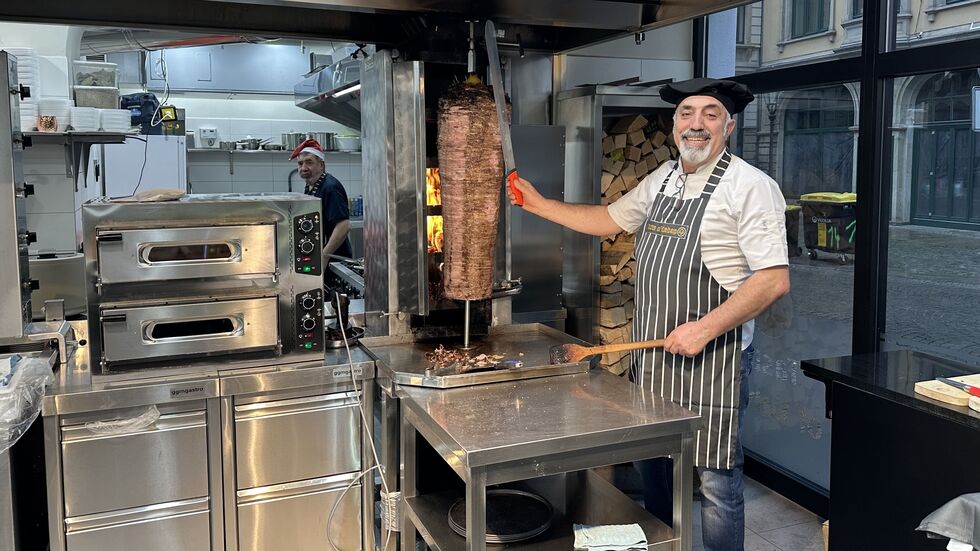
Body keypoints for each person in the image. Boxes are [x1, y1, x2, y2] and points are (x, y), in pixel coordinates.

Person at [508, 78, 790, 551]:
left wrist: (705, 328)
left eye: (710, 114)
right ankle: (664, 544)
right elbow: (607, 220)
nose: (696, 124)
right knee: (654, 463)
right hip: (655, 356)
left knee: (715, 480)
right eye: (687, 113)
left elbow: (773, 280)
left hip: (714, 362)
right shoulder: (664, 177)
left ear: (729, 127)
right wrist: (539, 206)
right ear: (675, 124)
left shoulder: (751, 187)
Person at [290, 138, 354, 260]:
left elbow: (344, 226)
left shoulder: (330, 187)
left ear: (321, 165)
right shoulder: (310, 185)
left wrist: (324, 256)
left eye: (309, 162)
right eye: (300, 163)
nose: (303, 167)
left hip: (334, 259)